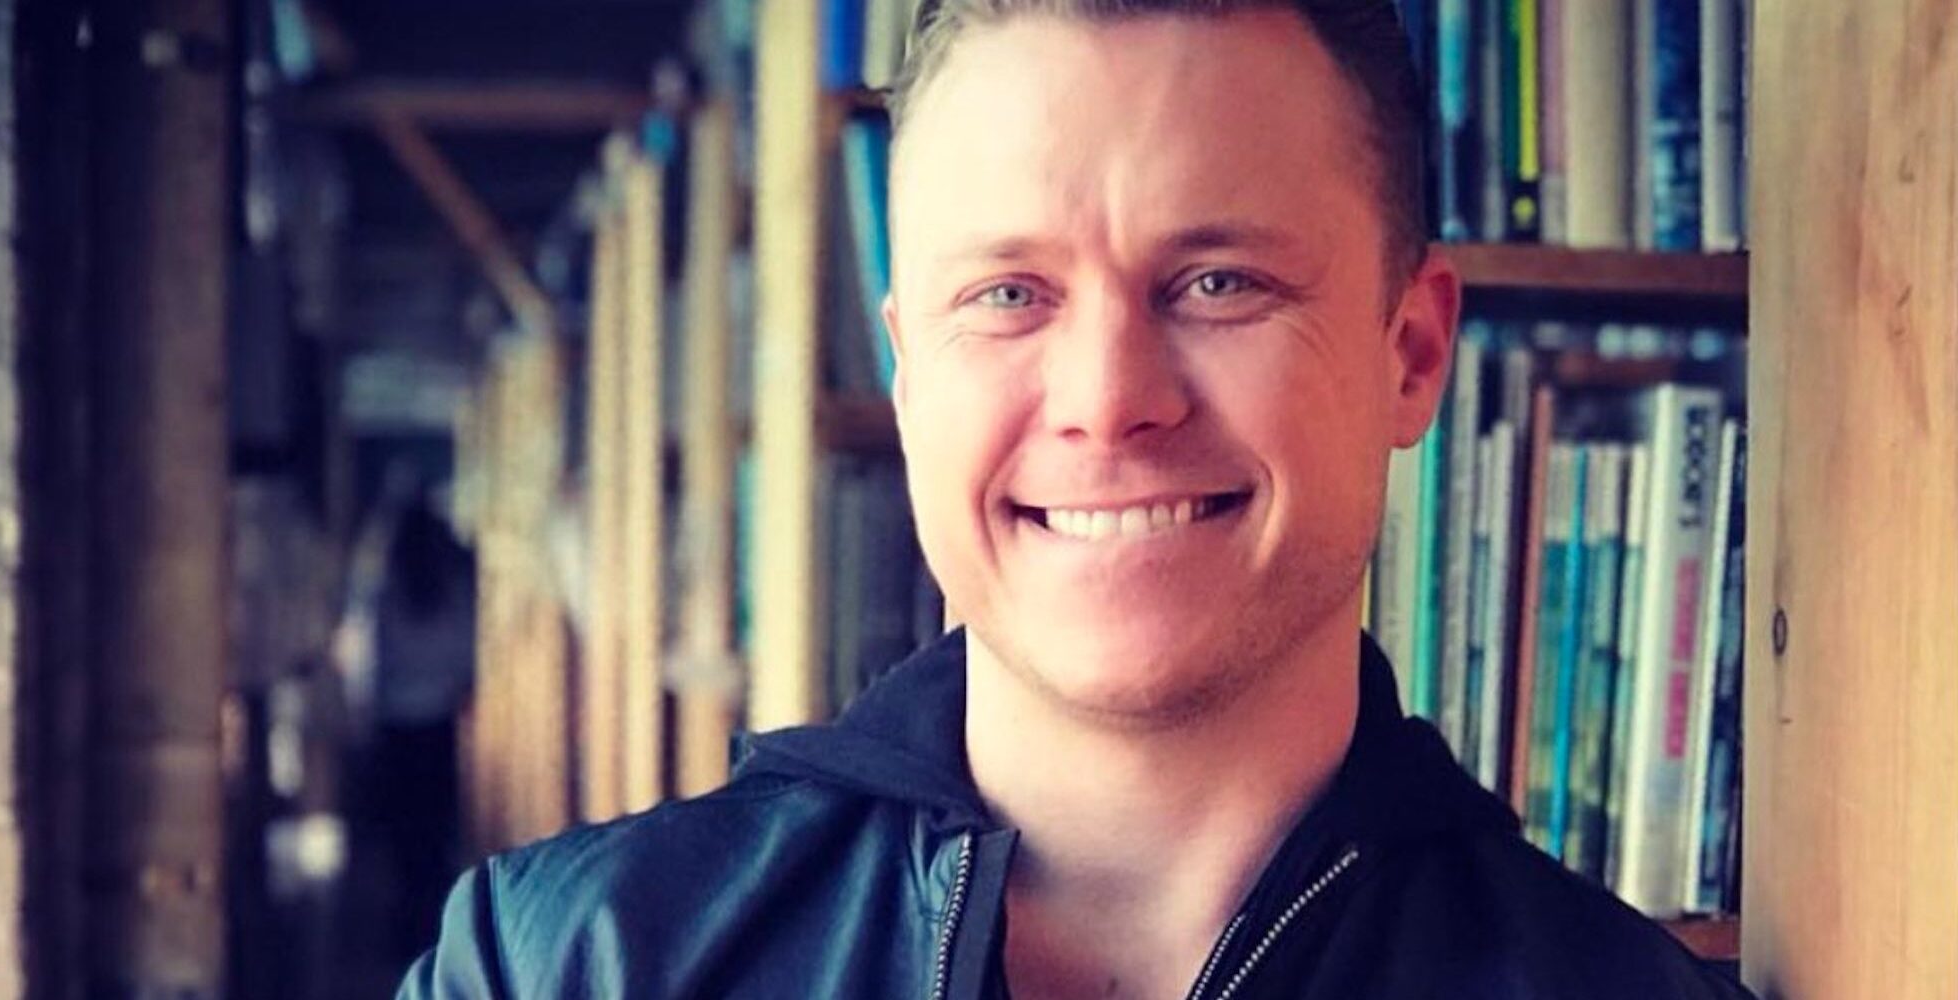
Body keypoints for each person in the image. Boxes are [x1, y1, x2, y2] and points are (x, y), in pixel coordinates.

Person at [399, 1, 1757, 996]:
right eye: (1008, 295)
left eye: (1217, 283)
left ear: (1411, 354)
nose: (1109, 399)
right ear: (909, 375)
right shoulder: (559, 969)